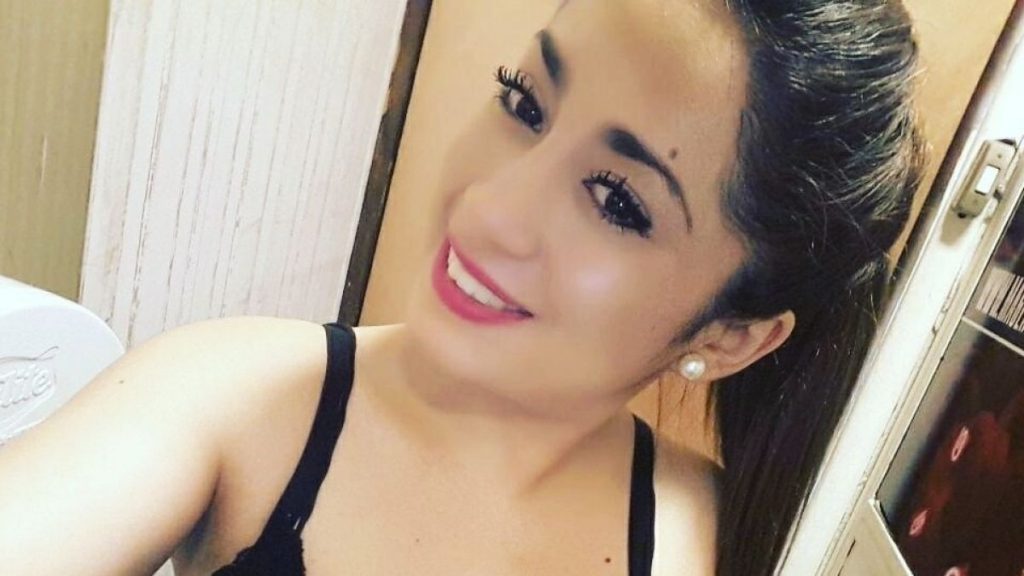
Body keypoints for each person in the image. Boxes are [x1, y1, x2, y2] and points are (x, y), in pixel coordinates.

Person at [0, 0, 923, 574]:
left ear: (730, 337)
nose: (486, 209)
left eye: (617, 199)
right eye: (525, 102)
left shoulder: (721, 546)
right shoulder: (231, 396)